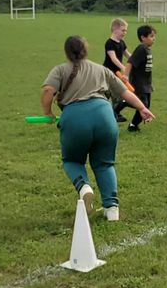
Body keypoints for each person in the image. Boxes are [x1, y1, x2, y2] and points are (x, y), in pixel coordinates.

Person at [41, 35, 155, 221]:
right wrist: (142, 108)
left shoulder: (60, 69)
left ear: (67, 52)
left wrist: (47, 113)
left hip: (75, 117)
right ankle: (112, 210)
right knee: (104, 163)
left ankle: (84, 187)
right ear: (86, 50)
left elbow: (47, 91)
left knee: (72, 161)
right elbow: (125, 92)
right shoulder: (101, 69)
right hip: (105, 116)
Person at [123, 25, 156, 133]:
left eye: (154, 36)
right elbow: (130, 62)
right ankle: (123, 103)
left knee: (147, 105)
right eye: (151, 36)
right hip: (139, 83)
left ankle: (133, 125)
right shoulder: (141, 49)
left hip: (146, 84)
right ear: (143, 37)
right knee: (143, 104)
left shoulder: (147, 49)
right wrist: (126, 76)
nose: (153, 38)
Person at [103, 18, 131, 122]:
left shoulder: (122, 42)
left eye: (126, 30)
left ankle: (115, 113)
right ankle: (111, 114)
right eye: (123, 30)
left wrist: (137, 61)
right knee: (111, 94)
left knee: (118, 94)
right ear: (115, 29)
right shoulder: (109, 43)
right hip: (108, 72)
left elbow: (128, 55)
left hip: (117, 73)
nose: (125, 33)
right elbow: (113, 58)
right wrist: (124, 67)